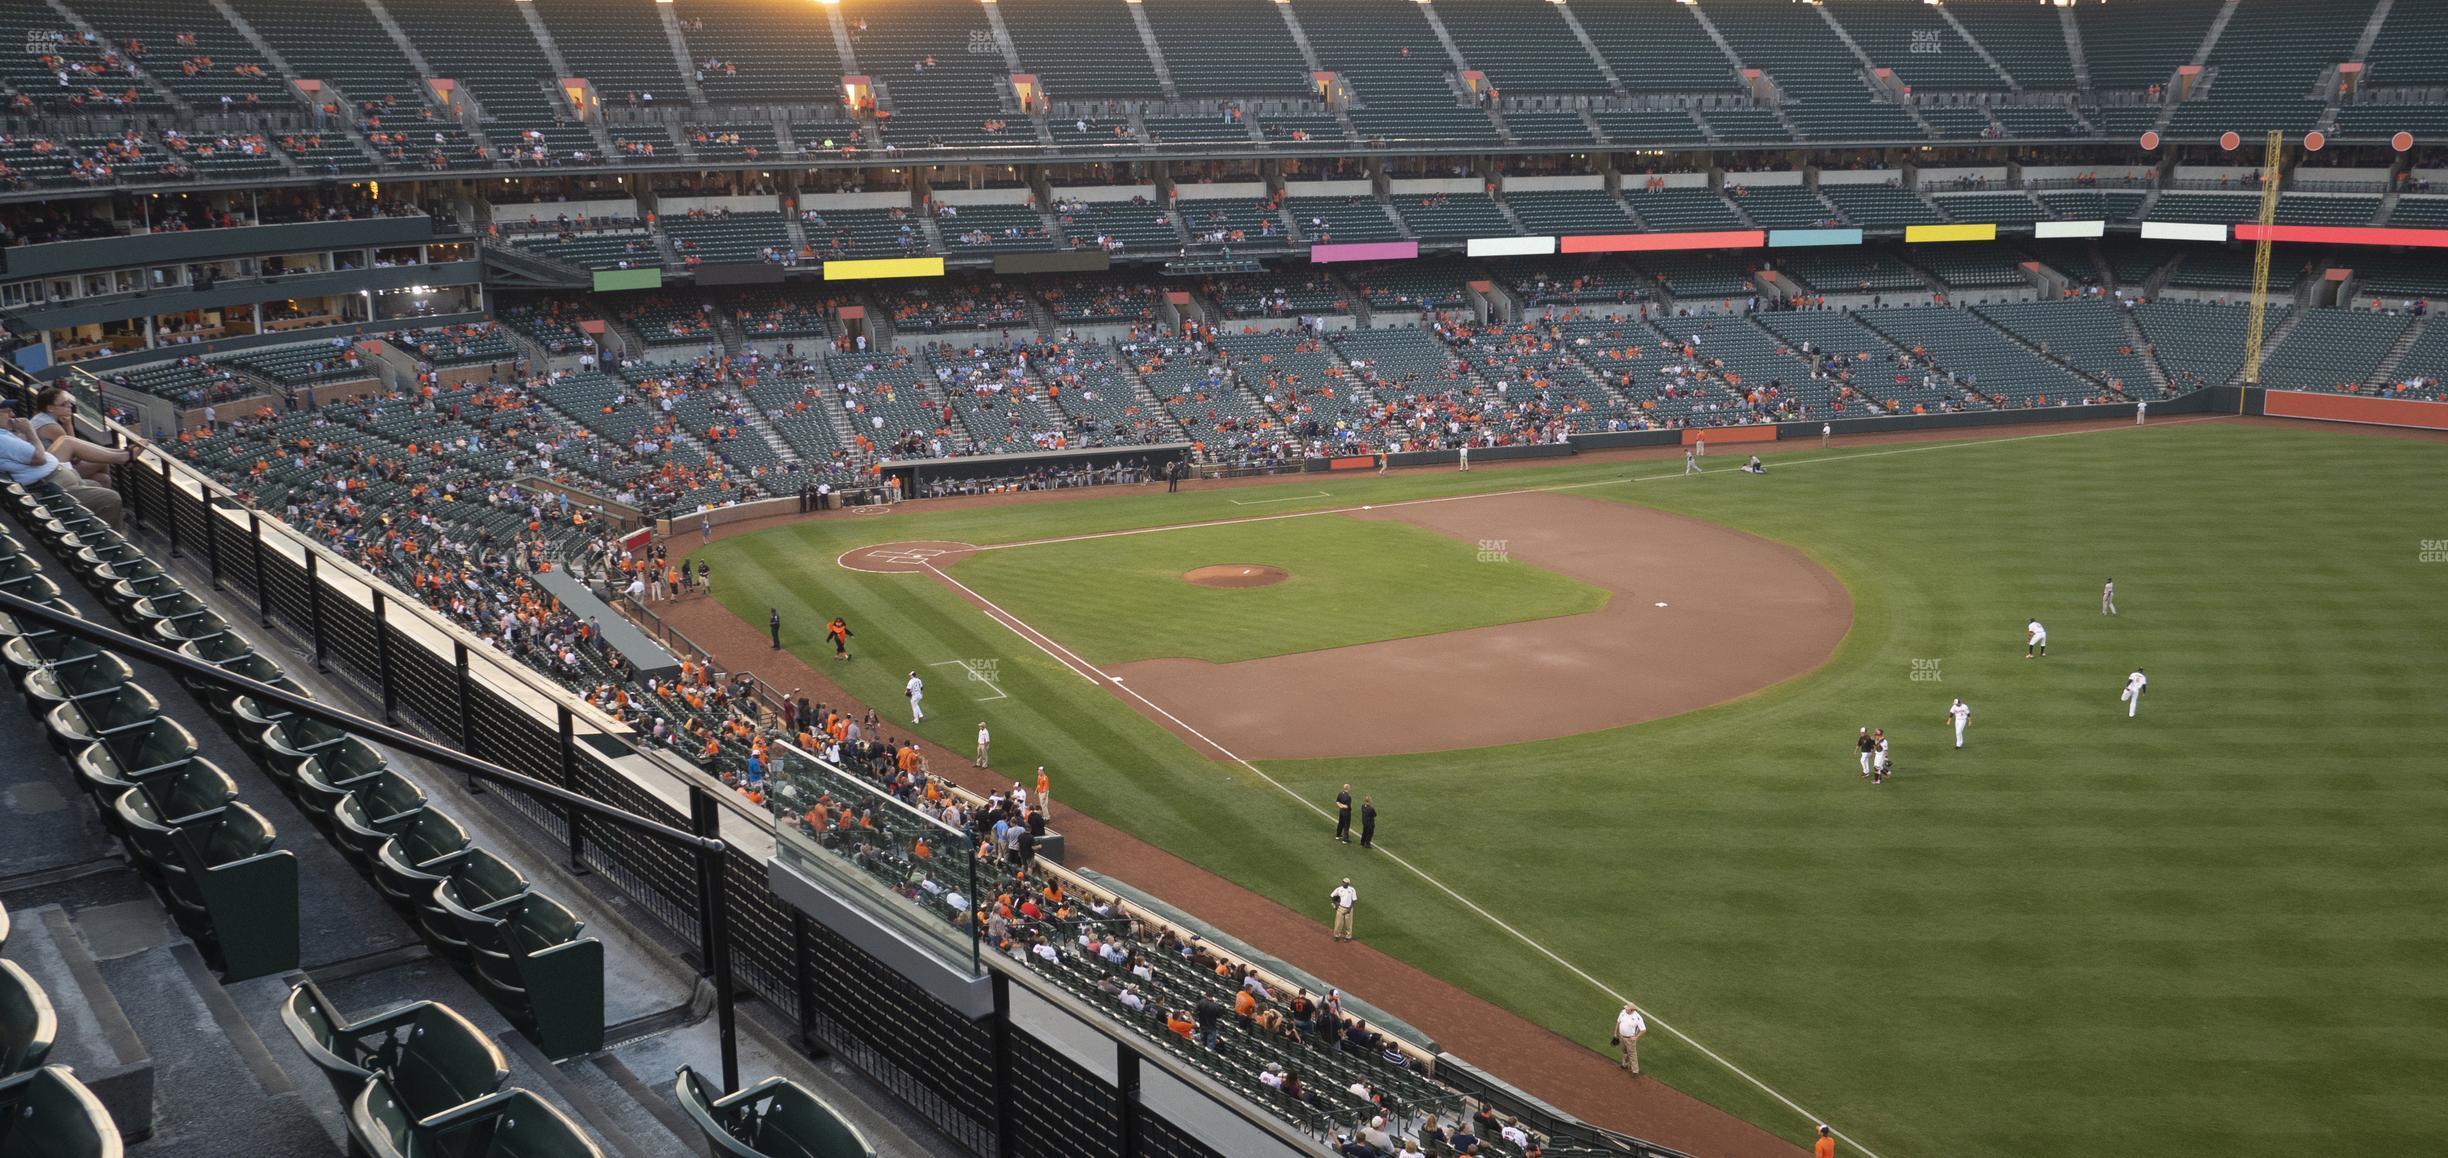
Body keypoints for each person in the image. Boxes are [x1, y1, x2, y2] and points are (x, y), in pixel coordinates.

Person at [0, 417, 123, 526]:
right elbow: (39, 458)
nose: (12, 415)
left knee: (98, 482)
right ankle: (107, 544)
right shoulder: (2, 440)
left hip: (56, 480)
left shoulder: (5, 435)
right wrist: (29, 430)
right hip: (50, 488)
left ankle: (95, 530)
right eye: (6, 411)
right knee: (112, 498)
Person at [26, 389, 142, 483]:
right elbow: (75, 458)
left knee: (103, 479)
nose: (69, 406)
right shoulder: (51, 426)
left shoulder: (40, 418)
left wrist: (68, 423)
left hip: (45, 468)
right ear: (50, 408)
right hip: (50, 474)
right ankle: (123, 456)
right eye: (64, 404)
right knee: (103, 461)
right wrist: (69, 425)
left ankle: (122, 455)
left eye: (69, 402)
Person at [1613, 1003, 1646, 1074]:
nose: (1625, 1009)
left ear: (1631, 1010)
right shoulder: (1622, 1012)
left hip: (1630, 1039)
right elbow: (1618, 1022)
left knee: (1632, 1054)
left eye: (1627, 1008)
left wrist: (1636, 1037)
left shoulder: (1637, 1018)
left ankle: (1635, 1070)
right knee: (1624, 1052)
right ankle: (1625, 1064)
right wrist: (1616, 1033)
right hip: (1621, 1036)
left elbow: (1643, 1029)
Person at [1328, 877, 1356, 942]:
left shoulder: (1352, 890)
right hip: (1340, 908)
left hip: (1349, 909)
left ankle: (1348, 936)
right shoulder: (1339, 889)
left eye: (1345, 883)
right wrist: (1335, 904)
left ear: (1348, 884)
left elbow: (1354, 900)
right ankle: (1336, 936)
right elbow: (1332, 896)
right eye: (1343, 882)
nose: (1344, 884)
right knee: (1338, 923)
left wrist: (1349, 909)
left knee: (1348, 924)